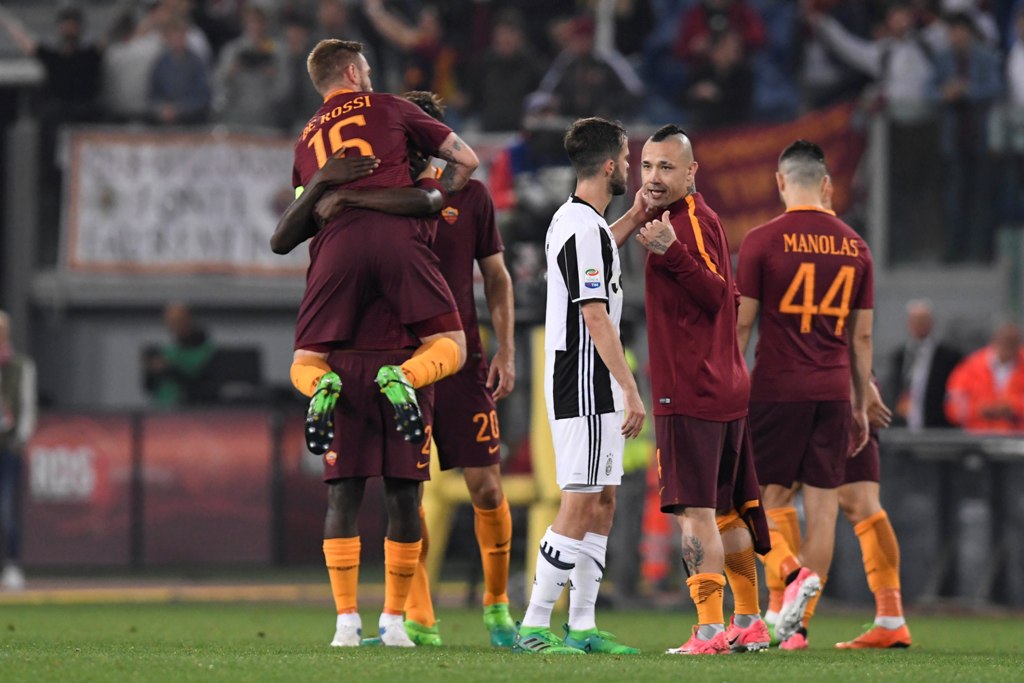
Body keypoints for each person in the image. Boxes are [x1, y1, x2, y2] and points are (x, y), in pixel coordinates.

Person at [270, 38, 478, 648]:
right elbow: (463, 163)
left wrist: (327, 192)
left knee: (307, 365)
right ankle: (395, 624)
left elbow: (289, 231)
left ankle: (344, 625)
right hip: (397, 272)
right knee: (449, 345)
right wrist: (437, 190)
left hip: (334, 265)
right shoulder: (391, 108)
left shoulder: (308, 138)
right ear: (358, 71)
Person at [369, 93, 517, 648]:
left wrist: (508, 349)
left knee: (486, 486)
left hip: (463, 360)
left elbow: (497, 277)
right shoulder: (381, 197)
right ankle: (420, 617)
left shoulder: (471, 197)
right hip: (400, 361)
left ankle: (498, 608)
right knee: (406, 491)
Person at [631, 125, 770, 656]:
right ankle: (750, 622)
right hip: (723, 384)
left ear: (692, 172)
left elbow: (717, 297)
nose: (653, 177)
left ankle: (709, 629)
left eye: (666, 167)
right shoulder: (699, 217)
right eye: (646, 166)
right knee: (730, 510)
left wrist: (671, 253)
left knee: (696, 512)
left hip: (690, 388)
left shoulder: (684, 225)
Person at [513, 117, 646, 655]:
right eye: (628, 158)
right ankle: (534, 624)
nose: (633, 167)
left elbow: (599, 254)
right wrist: (631, 390)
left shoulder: (579, 223)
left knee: (603, 500)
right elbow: (595, 316)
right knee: (579, 502)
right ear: (610, 165)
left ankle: (584, 625)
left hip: (591, 383)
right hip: (586, 383)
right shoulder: (581, 227)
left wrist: (634, 216)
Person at [736, 139, 875, 650]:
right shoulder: (856, 245)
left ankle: (784, 592)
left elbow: (743, 323)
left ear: (779, 182)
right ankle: (796, 626)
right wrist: (860, 403)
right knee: (823, 511)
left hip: (778, 387)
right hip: (835, 390)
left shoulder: (761, 240)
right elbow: (861, 338)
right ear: (825, 185)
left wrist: (729, 384)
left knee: (764, 498)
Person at [0, 311, 35, 592]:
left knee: (7, 508)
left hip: (8, 448)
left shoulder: (21, 366)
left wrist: (20, 438)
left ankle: (12, 565)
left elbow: (27, 407)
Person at [887, 299, 962, 429]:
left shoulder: (948, 357)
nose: (918, 325)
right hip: (903, 424)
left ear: (931, 323)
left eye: (922, 321)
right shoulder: (899, 356)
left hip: (937, 425)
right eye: (914, 320)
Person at [213, 6, 287, 128]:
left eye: (259, 22)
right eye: (251, 22)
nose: (255, 27)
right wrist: (230, 71)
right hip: (236, 113)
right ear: (245, 24)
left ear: (265, 24)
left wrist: (273, 75)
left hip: (267, 115)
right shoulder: (232, 50)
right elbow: (218, 82)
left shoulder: (276, 51)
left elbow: (284, 86)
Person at [945, 321, 1024, 433]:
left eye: (1013, 342)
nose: (1008, 345)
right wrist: (980, 410)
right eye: (1005, 341)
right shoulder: (970, 367)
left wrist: (1013, 407)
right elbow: (953, 406)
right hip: (978, 441)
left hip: (1018, 440)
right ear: (994, 340)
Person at [144, 302, 215, 407]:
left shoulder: (206, 351)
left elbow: (199, 384)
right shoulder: (168, 351)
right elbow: (149, 387)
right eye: (170, 322)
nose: (174, 325)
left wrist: (168, 369)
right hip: (161, 411)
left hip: (190, 411)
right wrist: (150, 371)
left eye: (178, 320)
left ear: (189, 320)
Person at [147, 18, 212, 124]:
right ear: (167, 38)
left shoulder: (196, 63)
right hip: (164, 123)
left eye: (180, 35)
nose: (177, 39)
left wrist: (179, 109)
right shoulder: (160, 63)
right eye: (173, 36)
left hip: (192, 122)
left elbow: (203, 96)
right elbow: (153, 94)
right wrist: (161, 108)